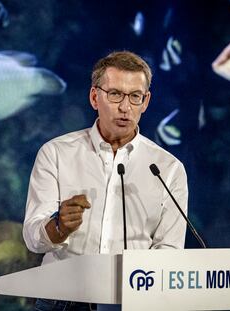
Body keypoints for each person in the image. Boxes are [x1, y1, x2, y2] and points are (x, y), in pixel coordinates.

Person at [23, 51, 188, 311]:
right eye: (115, 94)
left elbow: (170, 250)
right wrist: (59, 227)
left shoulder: (168, 169)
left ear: (146, 102)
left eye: (135, 97)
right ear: (94, 97)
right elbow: (33, 239)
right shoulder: (56, 153)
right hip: (61, 300)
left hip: (133, 301)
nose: (125, 107)